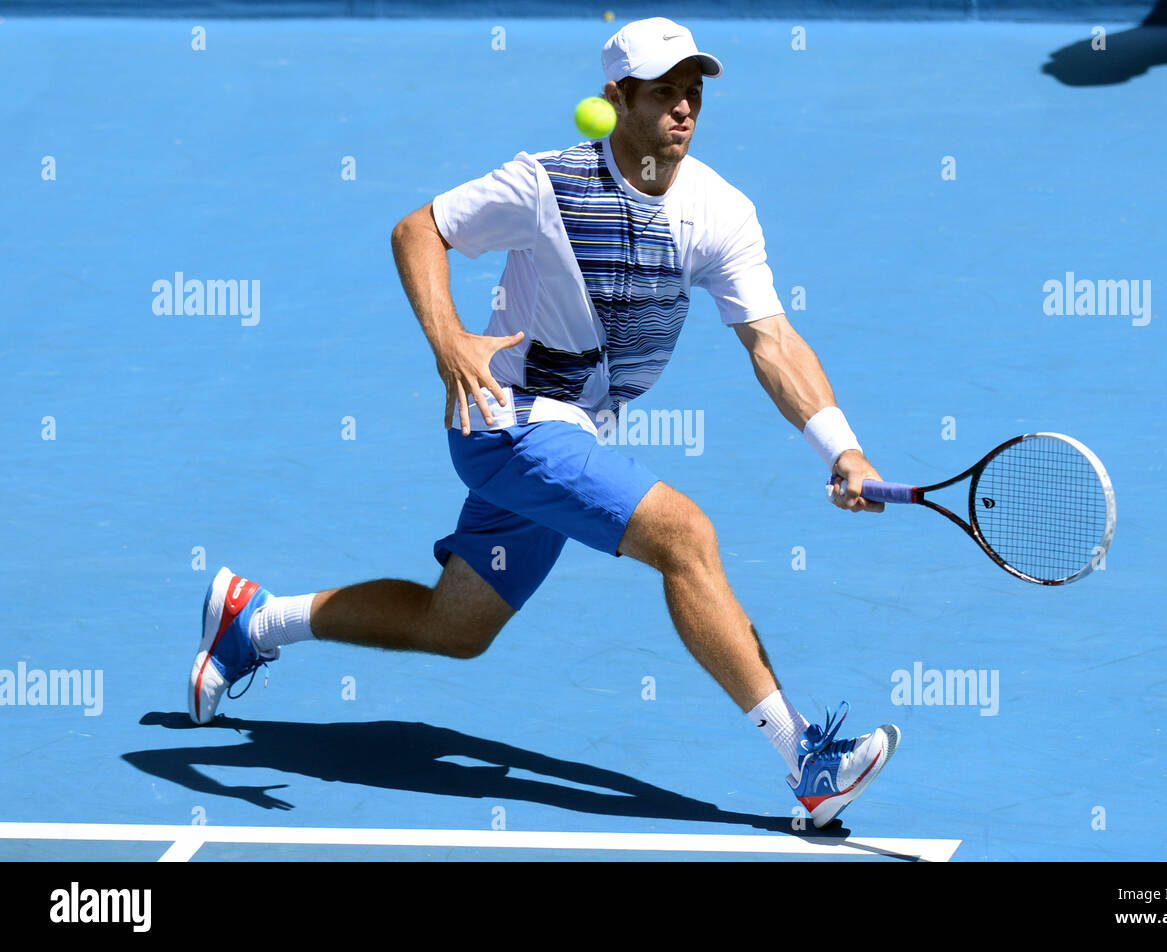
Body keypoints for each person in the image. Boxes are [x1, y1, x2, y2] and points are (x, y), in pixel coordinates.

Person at [188, 17, 899, 829]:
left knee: (453, 626)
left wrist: (840, 446)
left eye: (693, 85)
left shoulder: (722, 211)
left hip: (576, 435)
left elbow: (771, 339)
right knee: (684, 535)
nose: (684, 103)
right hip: (507, 421)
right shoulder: (546, 184)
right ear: (616, 98)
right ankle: (806, 758)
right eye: (664, 87)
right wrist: (448, 338)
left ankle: (254, 618)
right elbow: (418, 228)